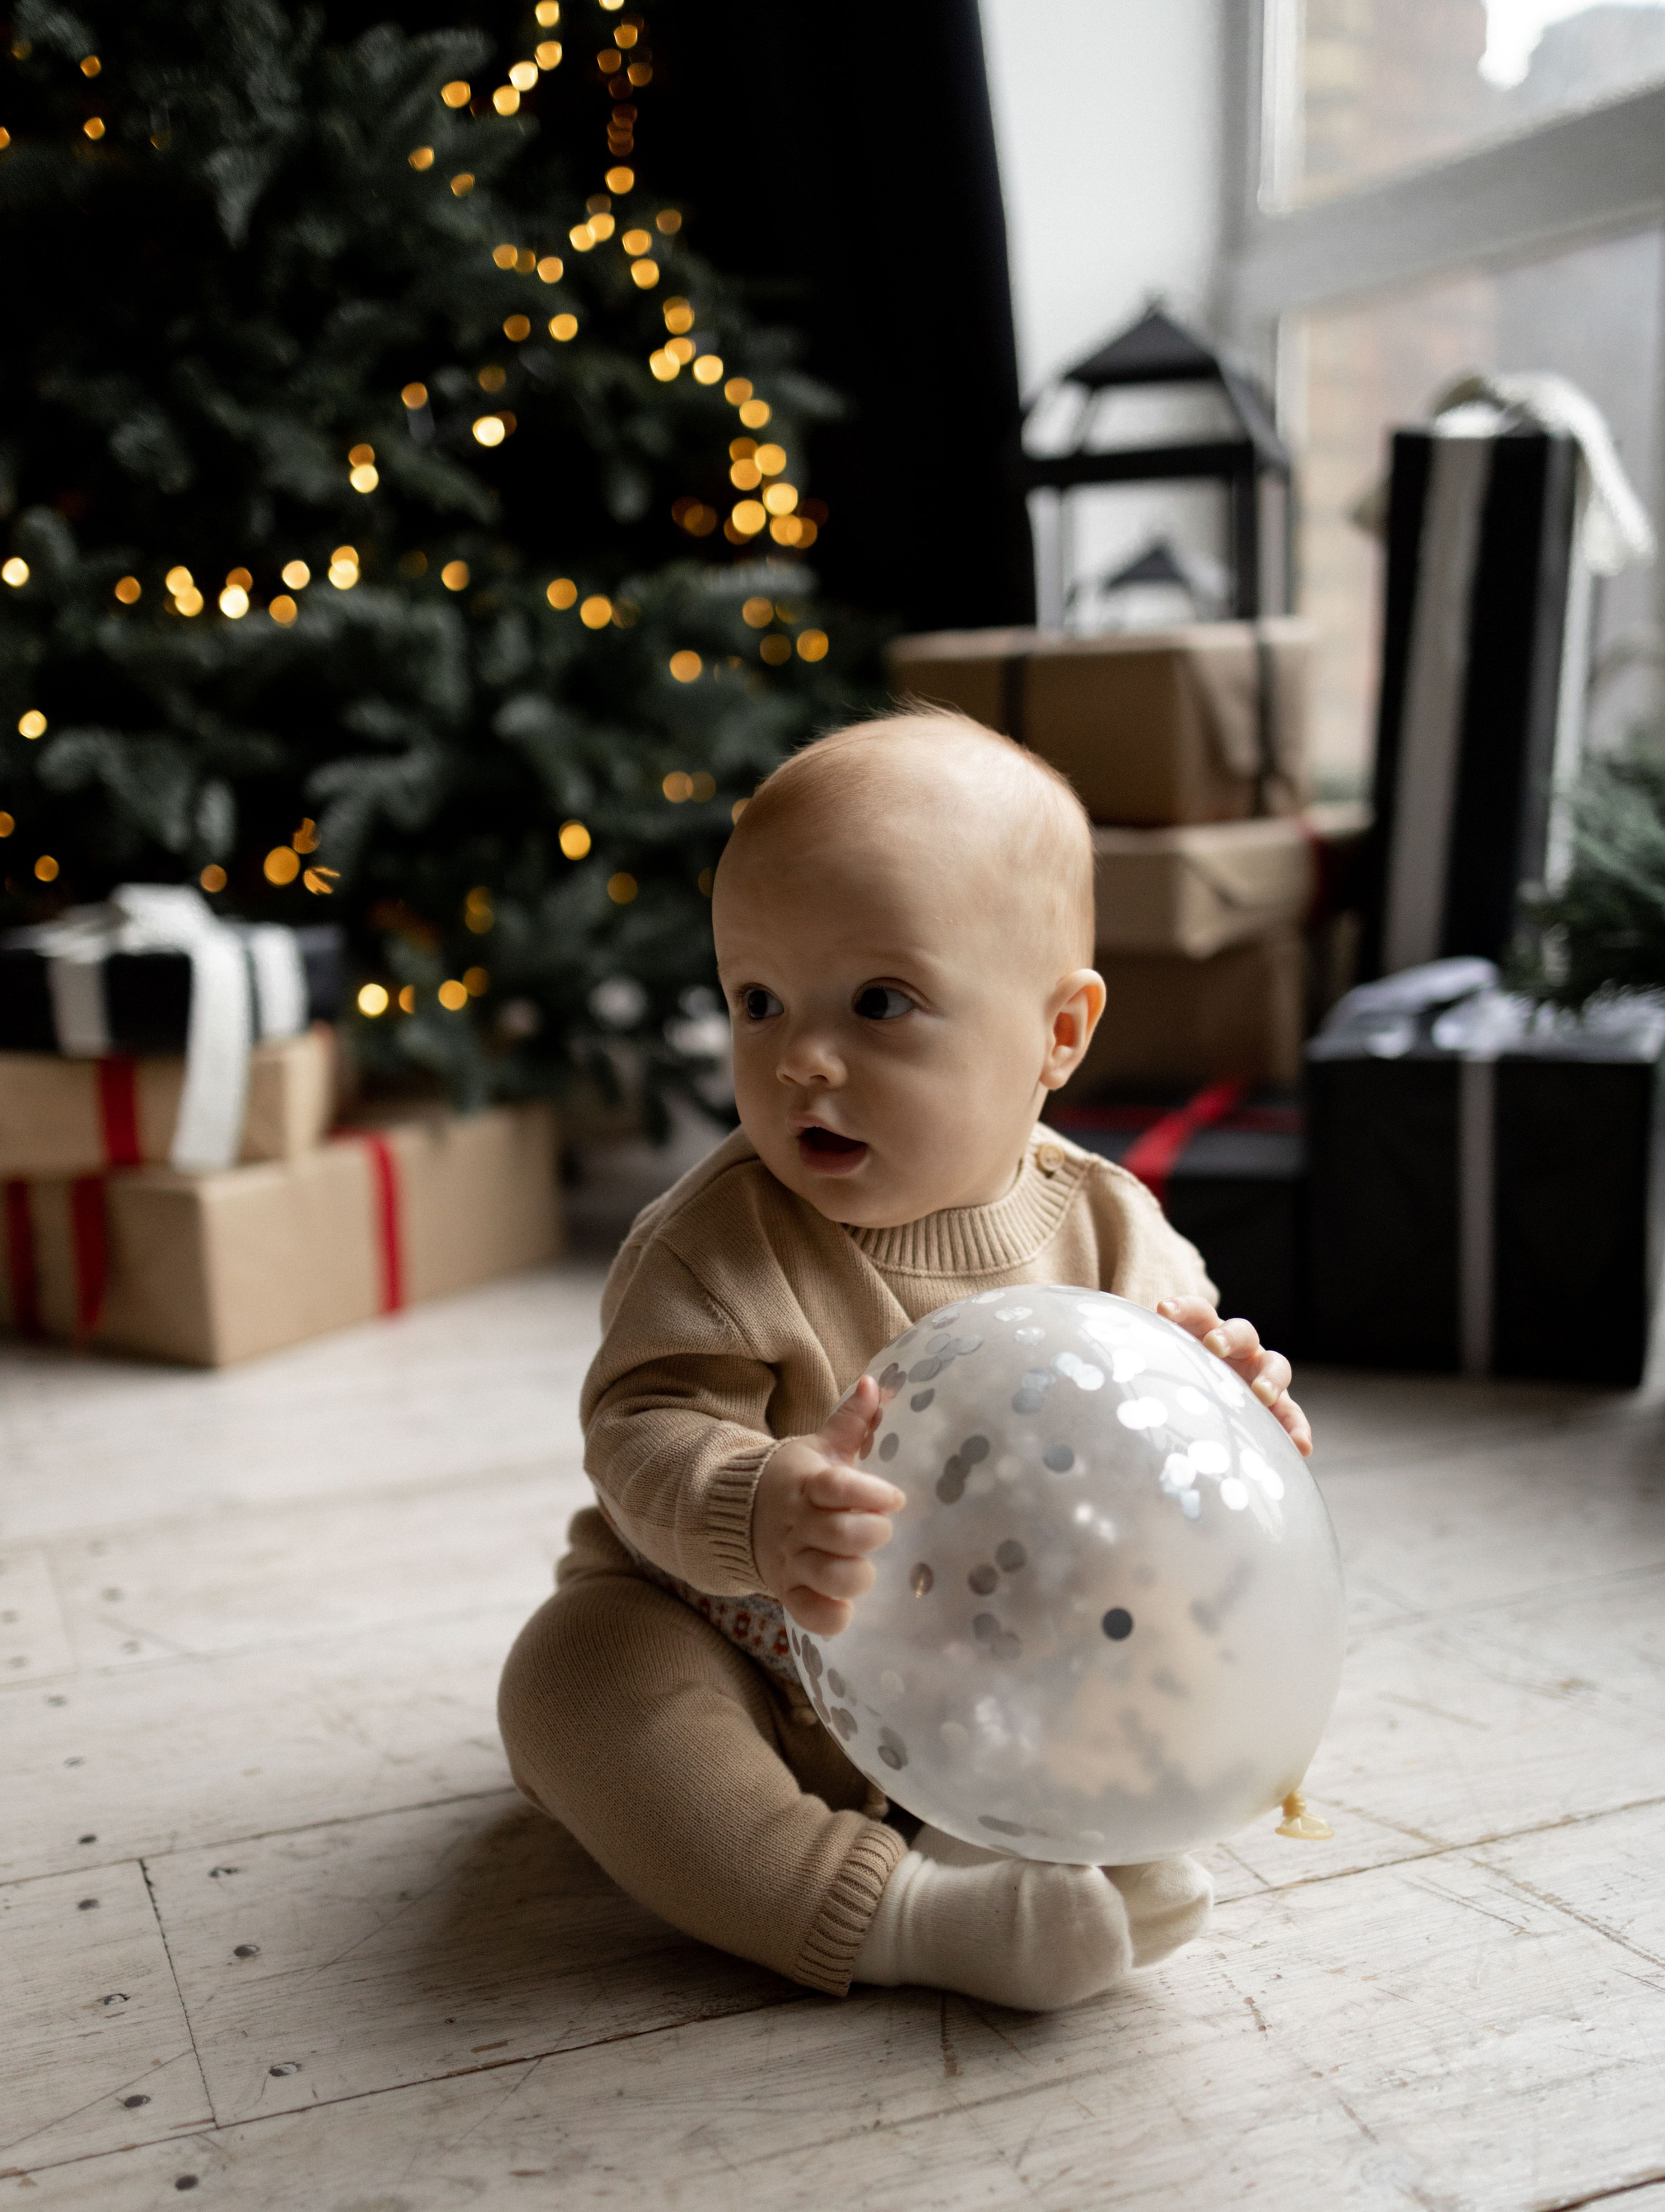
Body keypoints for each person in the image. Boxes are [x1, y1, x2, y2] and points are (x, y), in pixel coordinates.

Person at [499, 710, 1311, 2010]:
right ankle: (904, 1917)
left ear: (1057, 1033)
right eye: (757, 1001)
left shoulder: (1112, 1229)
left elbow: (1173, 1446)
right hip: (744, 1651)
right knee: (571, 1679)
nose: (799, 1058)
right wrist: (754, 1503)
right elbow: (637, 1429)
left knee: (1130, 1633)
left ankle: (1068, 1831)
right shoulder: (716, 1242)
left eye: (880, 1002)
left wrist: (1238, 1404)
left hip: (981, 1667)